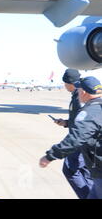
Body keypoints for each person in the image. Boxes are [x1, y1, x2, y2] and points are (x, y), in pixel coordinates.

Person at [39, 76, 102, 199]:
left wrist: (50, 156)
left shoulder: (90, 112)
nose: (77, 93)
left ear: (83, 92)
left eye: (78, 90)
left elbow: (76, 138)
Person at [53, 69, 93, 199]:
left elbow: (84, 122)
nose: (64, 86)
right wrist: (65, 122)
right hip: (87, 138)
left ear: (69, 83)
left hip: (81, 139)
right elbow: (79, 119)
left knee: (70, 169)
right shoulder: (81, 93)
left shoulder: (78, 97)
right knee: (85, 171)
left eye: (65, 83)